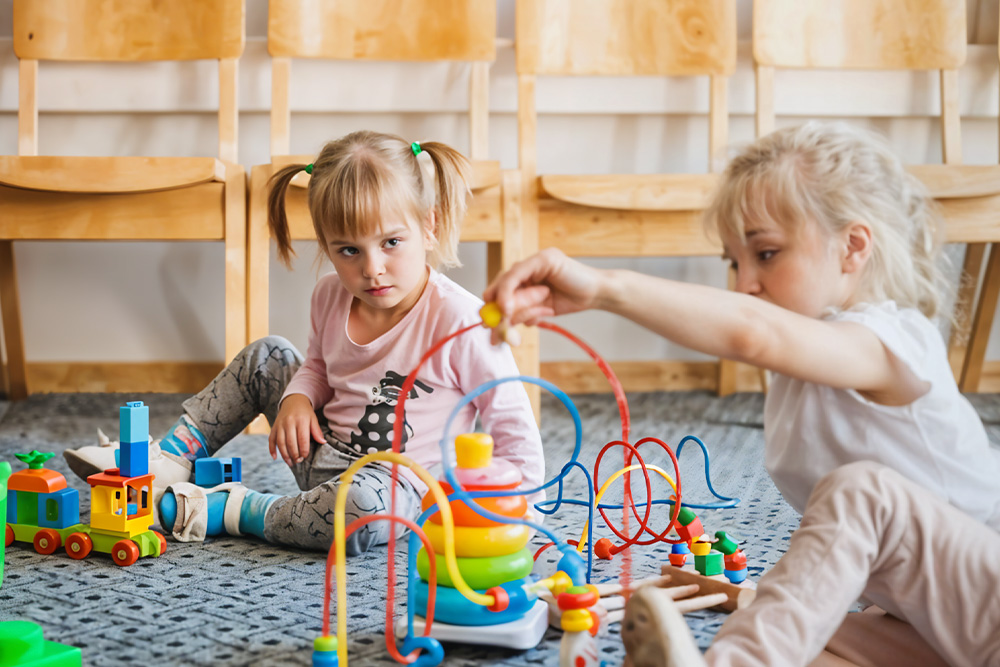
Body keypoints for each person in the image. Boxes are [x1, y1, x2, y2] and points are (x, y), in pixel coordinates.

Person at [484, 122, 1000, 665]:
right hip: (928, 622)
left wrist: (607, 288)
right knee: (799, 633)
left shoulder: (893, 341)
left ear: (852, 247)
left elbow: (752, 332)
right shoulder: (807, 369)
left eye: (767, 254)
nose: (744, 283)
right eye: (734, 262)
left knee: (861, 493)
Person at [64, 130, 544, 555]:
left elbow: (511, 422)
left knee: (359, 507)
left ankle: (240, 510)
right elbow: (316, 364)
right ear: (327, 244)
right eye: (349, 250)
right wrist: (297, 396)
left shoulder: (461, 321)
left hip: (395, 488)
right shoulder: (330, 295)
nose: (372, 268)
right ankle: (170, 459)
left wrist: (522, 512)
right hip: (315, 453)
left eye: (391, 243)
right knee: (267, 353)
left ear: (429, 226)